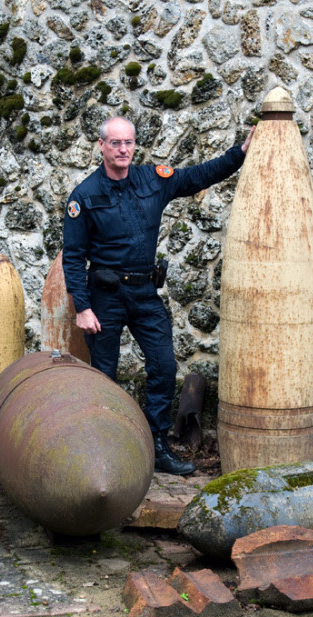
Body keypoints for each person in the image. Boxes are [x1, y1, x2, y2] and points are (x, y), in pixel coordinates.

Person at [62, 116, 254, 475]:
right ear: (101, 146)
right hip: (105, 297)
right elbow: (73, 257)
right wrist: (82, 307)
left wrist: (239, 153)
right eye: (116, 143)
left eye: (129, 143)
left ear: (135, 145)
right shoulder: (84, 197)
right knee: (105, 374)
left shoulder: (153, 180)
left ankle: (156, 446)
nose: (123, 150)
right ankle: (108, 450)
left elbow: (198, 176)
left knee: (164, 366)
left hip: (145, 292)